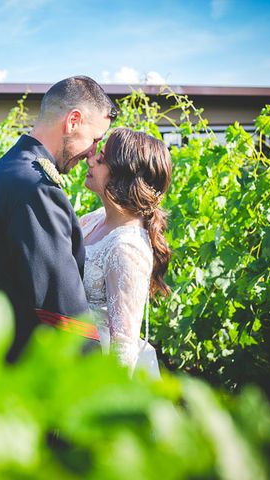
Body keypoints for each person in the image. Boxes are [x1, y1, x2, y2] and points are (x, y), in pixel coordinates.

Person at [0, 76, 117, 361]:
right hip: (32, 370)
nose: (92, 154)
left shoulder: (3, 170)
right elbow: (61, 308)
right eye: (95, 139)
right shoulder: (35, 189)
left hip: (1, 353)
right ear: (73, 121)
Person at [80, 128, 172, 376]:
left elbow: (123, 346)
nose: (90, 160)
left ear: (122, 174)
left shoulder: (127, 248)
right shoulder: (93, 220)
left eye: (100, 159)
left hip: (97, 369)